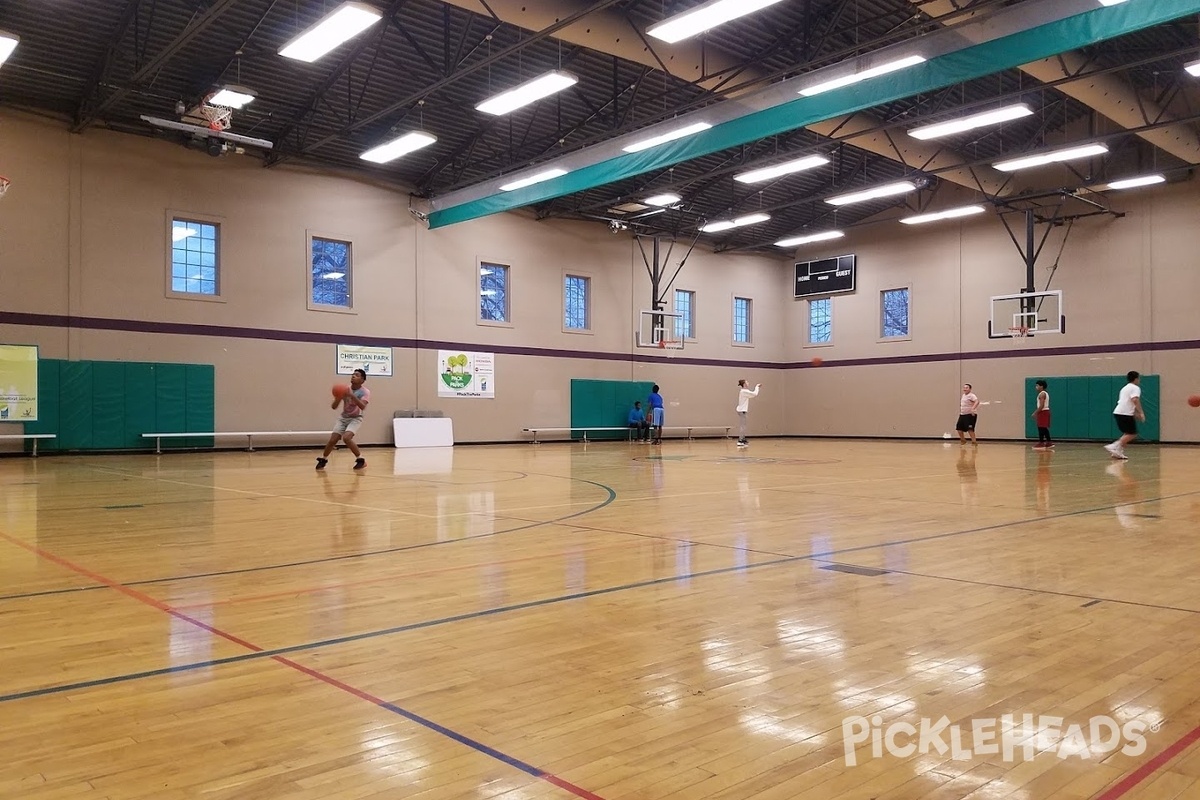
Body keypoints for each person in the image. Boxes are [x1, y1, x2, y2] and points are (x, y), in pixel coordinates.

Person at [317, 368, 369, 470]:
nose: (353, 376)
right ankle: (323, 459)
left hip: (356, 418)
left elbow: (363, 406)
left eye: (357, 375)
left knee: (347, 438)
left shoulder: (365, 392)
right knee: (333, 440)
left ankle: (361, 460)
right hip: (343, 417)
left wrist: (351, 395)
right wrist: (338, 397)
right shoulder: (345, 389)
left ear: (362, 380)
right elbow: (334, 407)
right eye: (353, 374)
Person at [1106, 371, 1144, 460]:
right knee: (1132, 433)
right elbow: (1135, 400)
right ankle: (1114, 446)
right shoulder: (1135, 388)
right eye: (1139, 378)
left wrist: (1134, 413)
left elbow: (1127, 402)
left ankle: (1117, 453)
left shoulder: (1124, 388)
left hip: (1119, 412)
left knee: (1127, 433)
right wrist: (1141, 412)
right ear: (1136, 379)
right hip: (1124, 413)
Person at [735, 379, 761, 447]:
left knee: (743, 426)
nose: (748, 383)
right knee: (743, 426)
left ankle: (743, 439)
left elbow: (751, 395)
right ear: (744, 384)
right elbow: (754, 394)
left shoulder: (744, 392)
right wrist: (757, 387)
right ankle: (740, 440)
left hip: (742, 410)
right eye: (747, 382)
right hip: (742, 411)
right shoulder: (744, 391)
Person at [1032, 380, 1053, 449]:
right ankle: (1049, 442)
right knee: (1043, 427)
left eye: (1037, 385)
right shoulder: (1044, 393)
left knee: (1041, 427)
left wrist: (1035, 412)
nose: (1036, 387)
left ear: (1041, 386)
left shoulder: (1042, 394)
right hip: (1045, 411)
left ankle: (1041, 443)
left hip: (1043, 411)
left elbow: (1041, 405)